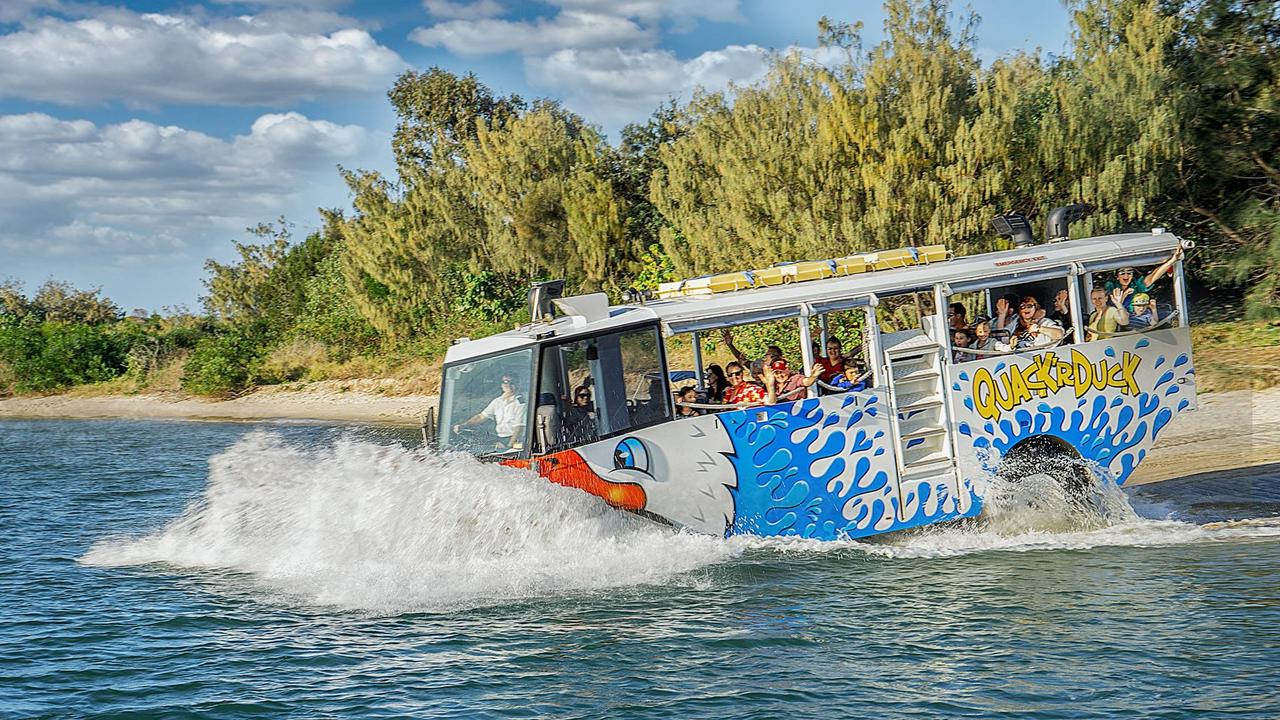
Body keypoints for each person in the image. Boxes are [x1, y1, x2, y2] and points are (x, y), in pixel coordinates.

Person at [453, 374, 526, 449]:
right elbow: (481, 417)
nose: (508, 385)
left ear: (518, 384)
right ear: (501, 384)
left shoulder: (521, 403)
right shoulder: (497, 401)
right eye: (505, 382)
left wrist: (508, 447)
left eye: (512, 382)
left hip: (515, 440)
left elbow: (519, 428)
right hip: (500, 438)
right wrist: (464, 425)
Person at [1105, 247, 1184, 312]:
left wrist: (1172, 260)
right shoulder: (1111, 286)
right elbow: (1112, 309)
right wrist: (1125, 294)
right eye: (1122, 273)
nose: (1126, 276)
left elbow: (1153, 276)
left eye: (1129, 273)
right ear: (1117, 276)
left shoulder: (1136, 285)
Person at [996, 296, 1064, 352]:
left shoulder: (1044, 322)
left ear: (1036, 308)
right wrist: (1002, 315)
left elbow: (1060, 334)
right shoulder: (1015, 322)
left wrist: (1039, 329)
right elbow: (1002, 337)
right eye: (1022, 306)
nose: (1026, 308)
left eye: (1029, 306)